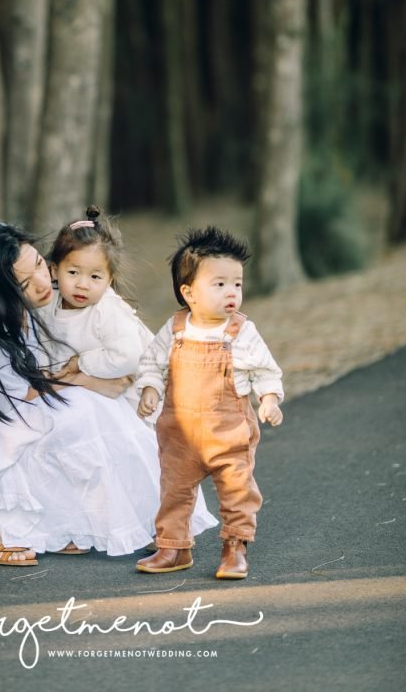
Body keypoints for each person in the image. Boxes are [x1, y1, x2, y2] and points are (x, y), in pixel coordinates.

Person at [0, 217, 217, 567]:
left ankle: (142, 517)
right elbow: (19, 399)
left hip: (13, 416)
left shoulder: (45, 298)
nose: (44, 283)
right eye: (25, 282)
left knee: (98, 406)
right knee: (79, 408)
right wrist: (90, 381)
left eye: (40, 265)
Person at [135, 224, 284, 579]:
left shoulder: (241, 331)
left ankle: (235, 547)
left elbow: (265, 370)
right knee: (174, 493)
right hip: (179, 435)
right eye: (219, 284)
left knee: (237, 493)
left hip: (228, 434)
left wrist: (269, 398)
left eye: (237, 284)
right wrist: (150, 388)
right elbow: (151, 363)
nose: (231, 292)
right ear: (188, 292)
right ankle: (173, 547)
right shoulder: (175, 330)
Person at [36, 206, 156, 422]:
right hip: (89, 392)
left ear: (109, 280)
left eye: (95, 277)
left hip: (138, 395)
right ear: (54, 271)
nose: (83, 284)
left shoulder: (108, 310)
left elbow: (129, 357)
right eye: (73, 272)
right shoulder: (48, 303)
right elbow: (46, 341)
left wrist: (80, 363)